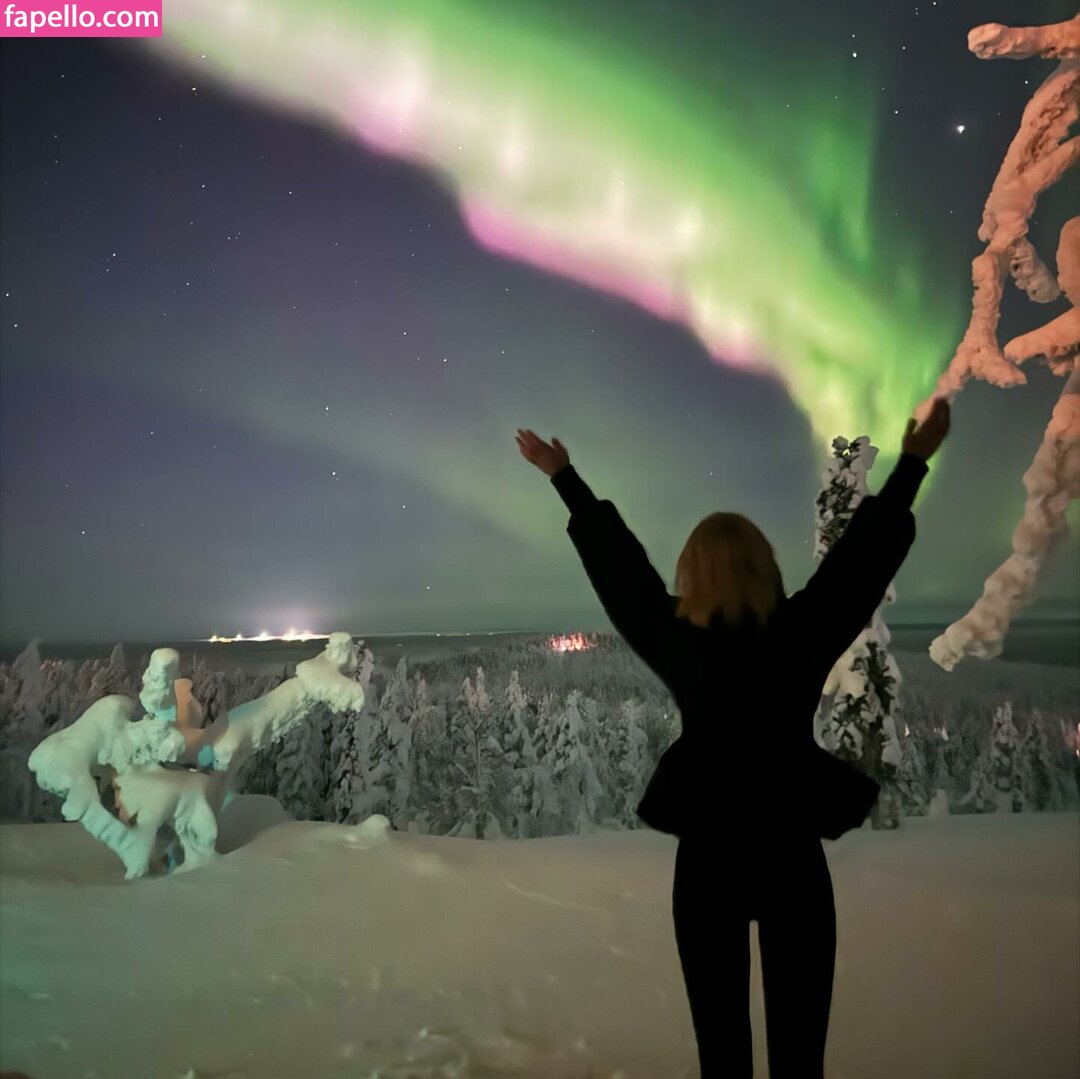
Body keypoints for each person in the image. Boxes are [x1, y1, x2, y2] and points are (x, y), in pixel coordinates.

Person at [515, 398, 950, 1079]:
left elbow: (621, 571)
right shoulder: (800, 631)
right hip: (792, 855)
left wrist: (564, 477)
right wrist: (912, 464)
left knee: (721, 1050)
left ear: (692, 572)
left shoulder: (676, 638)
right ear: (763, 568)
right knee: (799, 1054)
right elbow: (858, 567)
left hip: (708, 860)